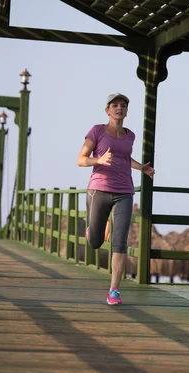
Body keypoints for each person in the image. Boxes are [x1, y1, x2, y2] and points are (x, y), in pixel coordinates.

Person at [77, 93, 154, 305]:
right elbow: (81, 159)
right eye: (115, 105)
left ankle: (114, 291)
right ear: (107, 110)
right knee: (95, 242)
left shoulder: (130, 135)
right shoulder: (97, 131)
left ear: (127, 111)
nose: (119, 108)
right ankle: (96, 230)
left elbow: (123, 158)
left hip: (124, 191)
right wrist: (99, 159)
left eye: (123, 105)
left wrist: (141, 168)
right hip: (99, 189)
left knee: (120, 242)